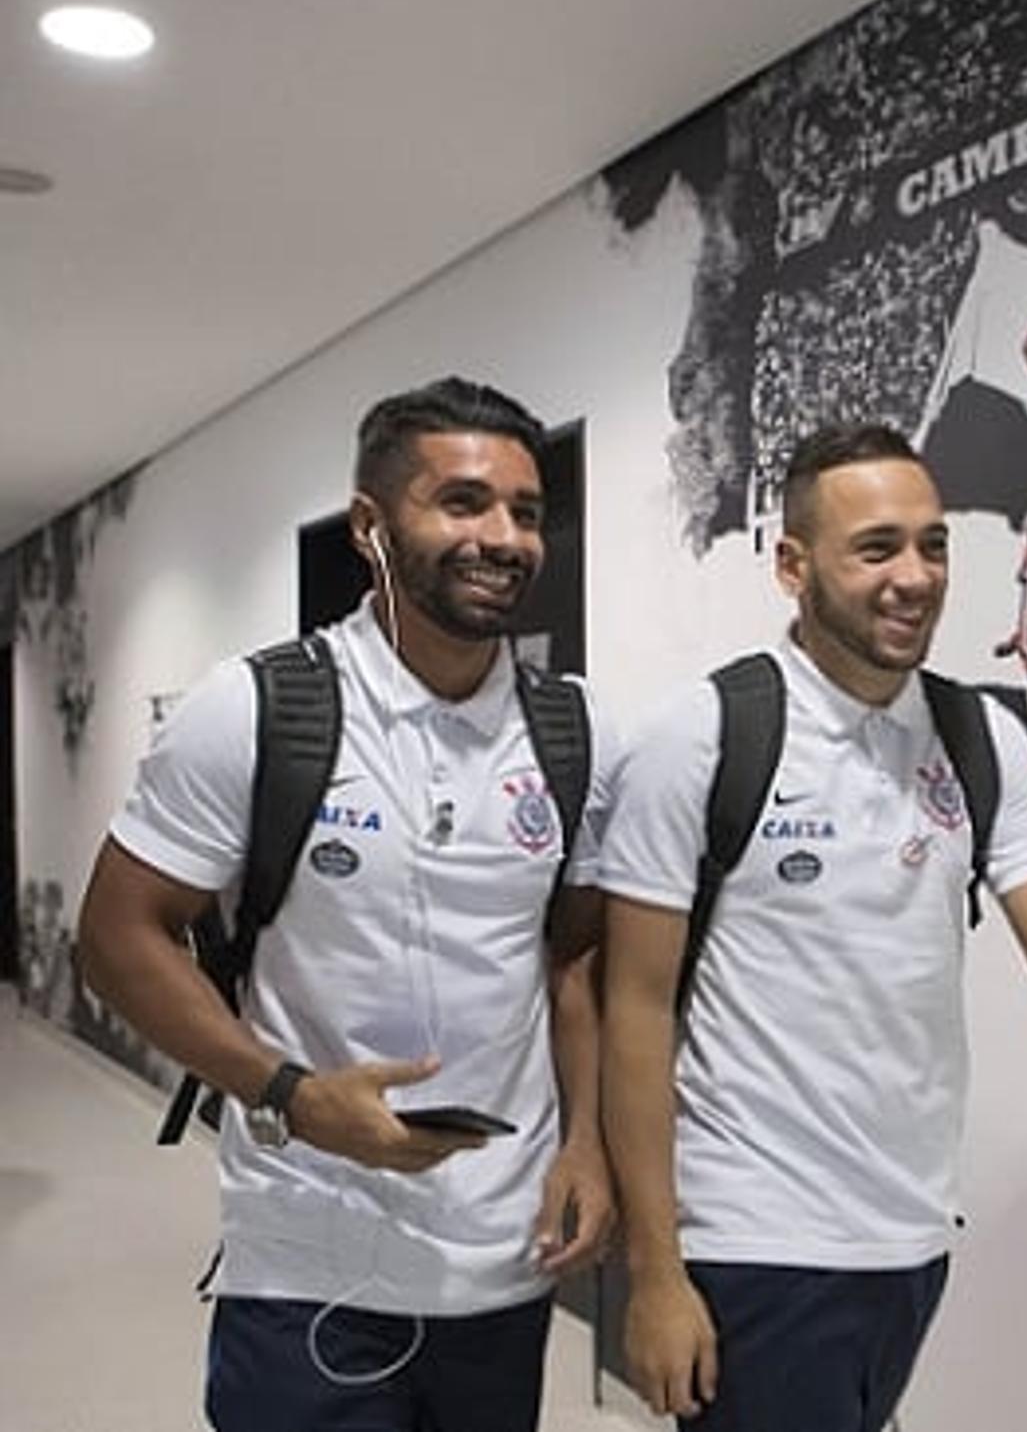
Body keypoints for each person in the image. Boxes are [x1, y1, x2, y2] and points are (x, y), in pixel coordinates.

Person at [599, 422, 1027, 1429]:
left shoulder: (981, 735)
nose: (915, 575)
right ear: (793, 565)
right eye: (876, 547)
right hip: (759, 1233)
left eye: (932, 544)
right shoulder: (705, 736)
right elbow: (636, 1005)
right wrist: (656, 1269)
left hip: (913, 1231)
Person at [75, 376, 619, 1432]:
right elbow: (115, 933)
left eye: (524, 509)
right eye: (462, 503)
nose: (502, 535)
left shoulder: (576, 733)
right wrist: (287, 1088)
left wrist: (587, 1140)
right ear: (371, 524)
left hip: (501, 1266)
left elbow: (575, 961)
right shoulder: (261, 706)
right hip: (307, 1258)